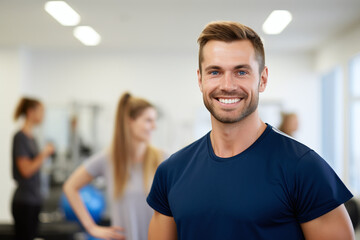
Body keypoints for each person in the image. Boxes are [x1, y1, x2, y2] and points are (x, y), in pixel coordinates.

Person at [147, 21, 354, 240]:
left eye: (241, 72)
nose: (227, 85)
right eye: (215, 72)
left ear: (262, 79)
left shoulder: (304, 168)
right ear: (200, 79)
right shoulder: (171, 172)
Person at [63, 92, 162, 240]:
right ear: (130, 121)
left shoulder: (163, 158)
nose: (154, 127)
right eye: (148, 120)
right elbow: (70, 186)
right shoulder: (108, 159)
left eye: (154, 120)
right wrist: (92, 228)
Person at [12, 97, 55, 240]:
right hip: (24, 201)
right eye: (41, 111)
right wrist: (44, 154)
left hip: (34, 199)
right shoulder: (20, 137)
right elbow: (26, 170)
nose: (43, 115)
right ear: (31, 112)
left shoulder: (32, 138)